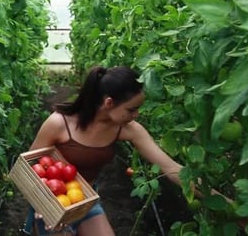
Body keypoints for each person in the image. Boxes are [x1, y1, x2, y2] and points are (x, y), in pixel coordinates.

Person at [21, 66, 228, 236]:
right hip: (53, 199)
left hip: (84, 199)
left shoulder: (127, 129)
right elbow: (27, 169)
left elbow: (171, 168)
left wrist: (225, 203)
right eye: (131, 109)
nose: (136, 115)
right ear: (108, 102)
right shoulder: (59, 123)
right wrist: (45, 205)